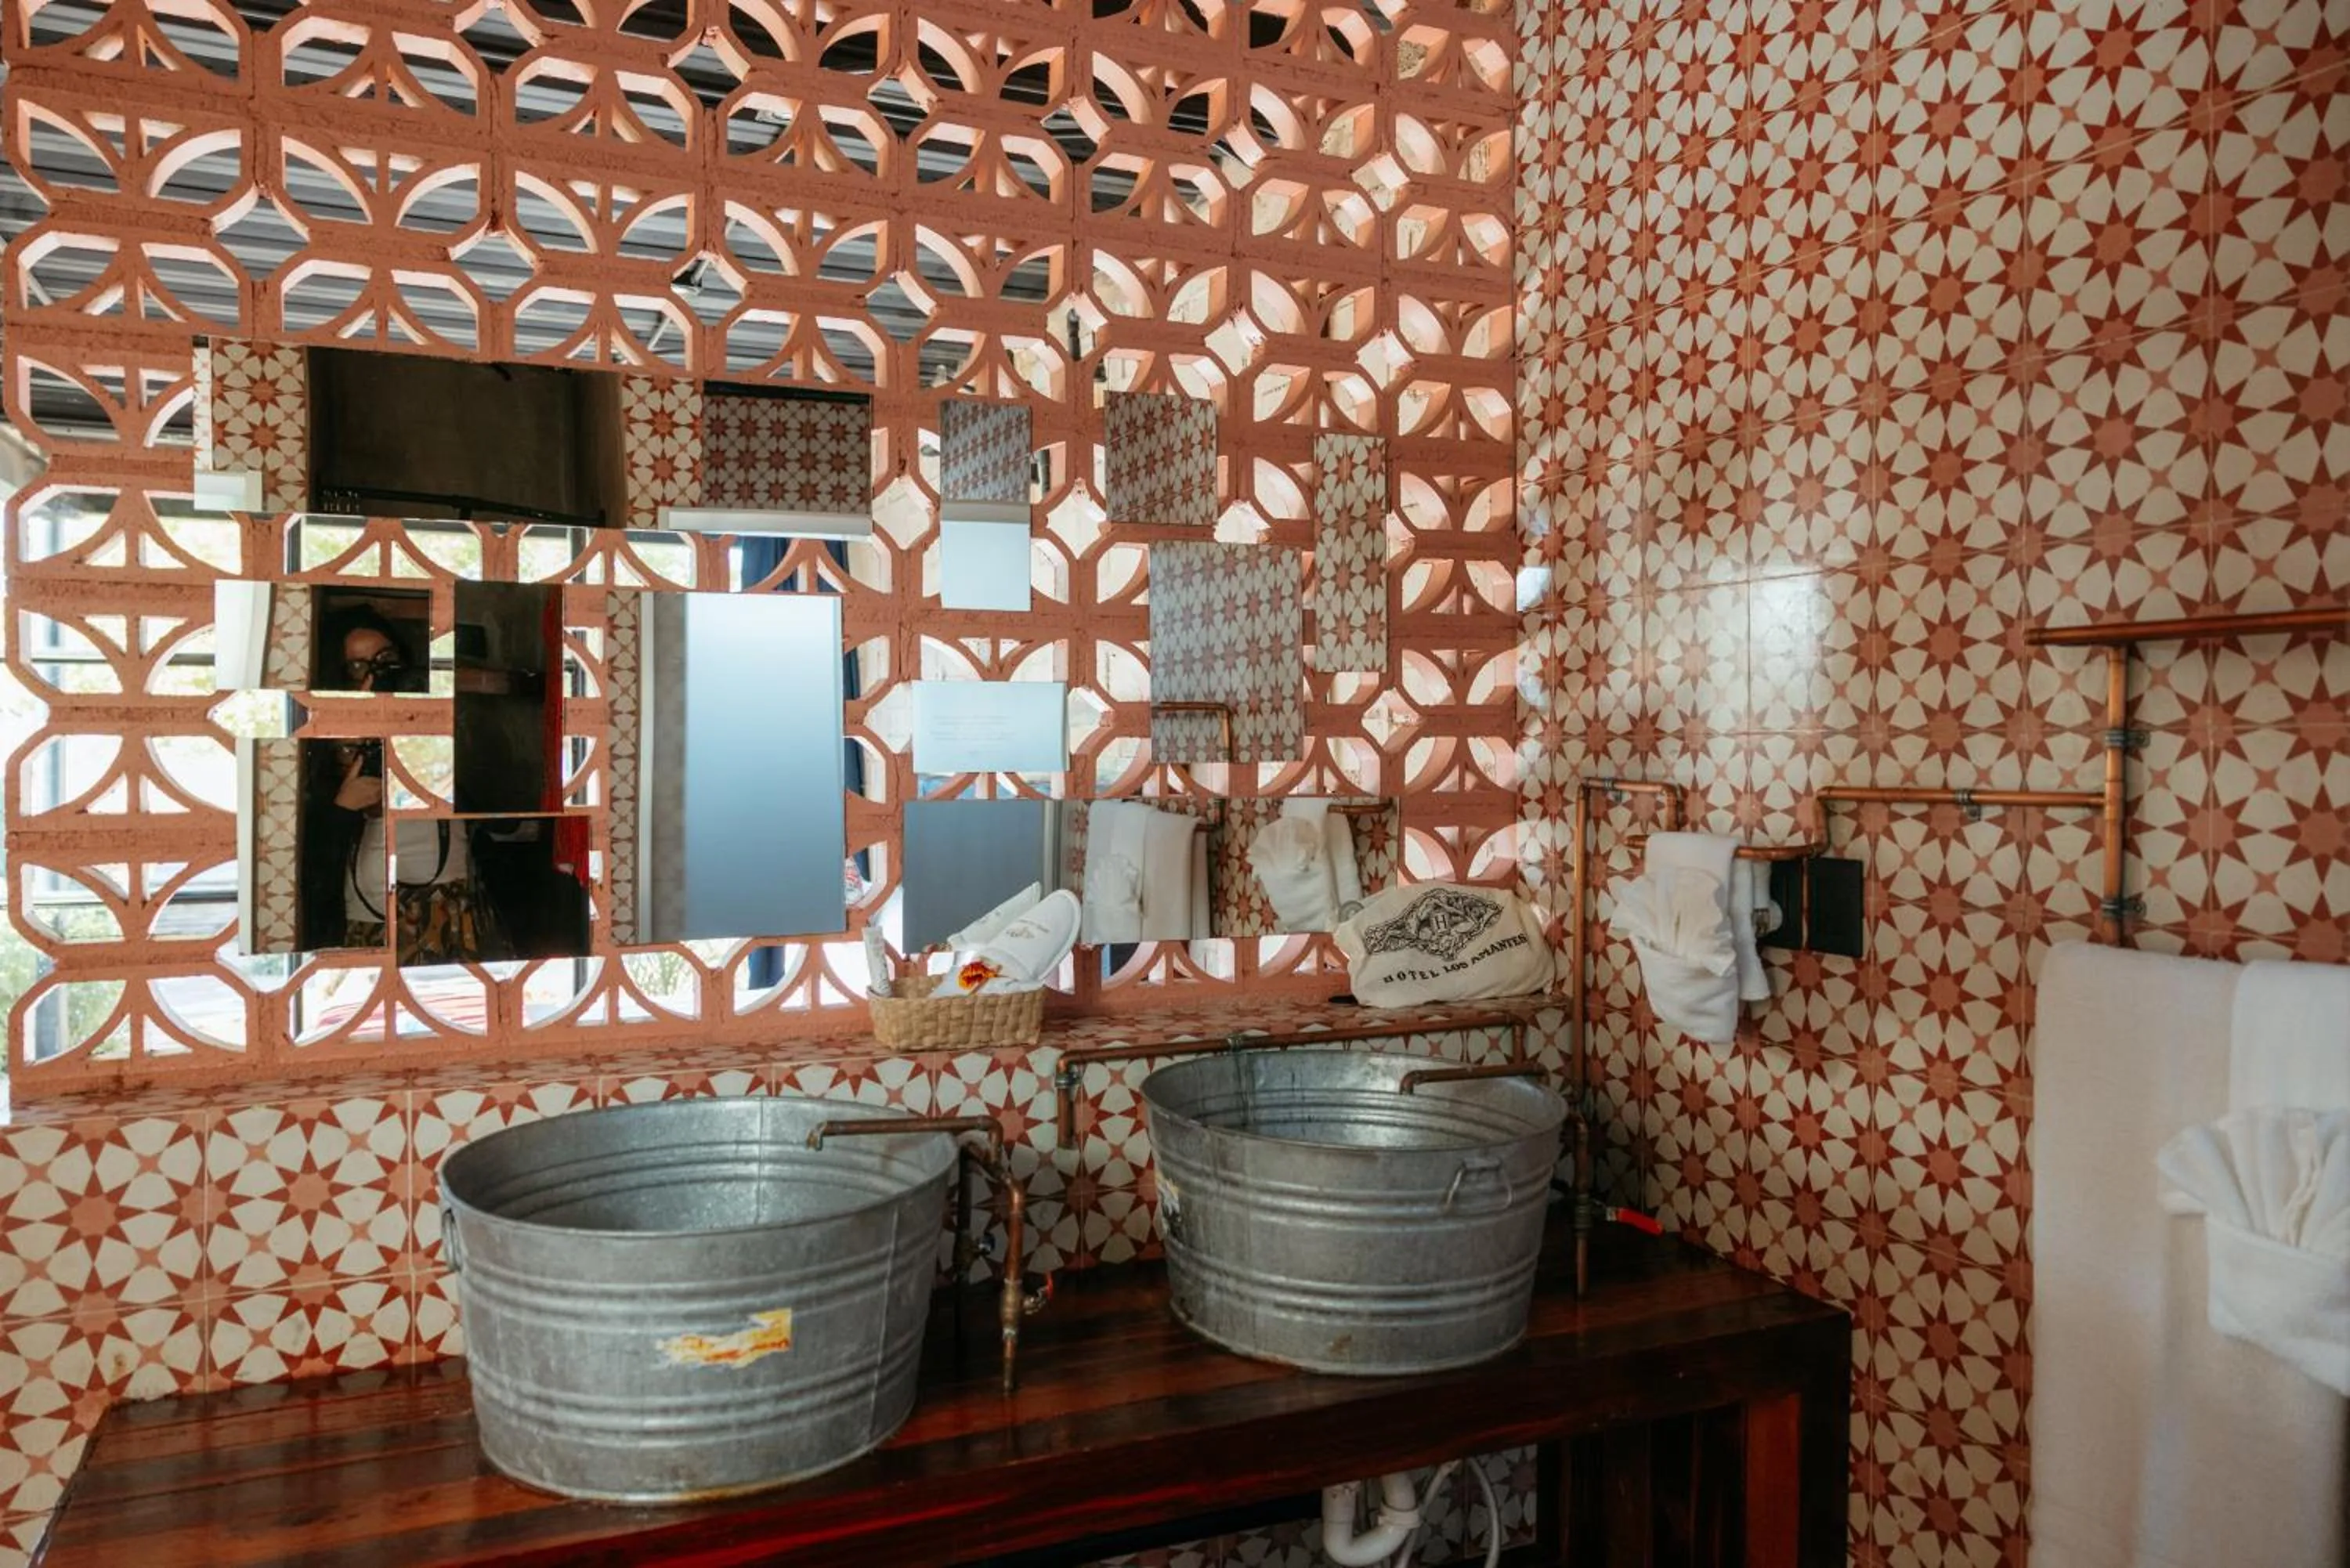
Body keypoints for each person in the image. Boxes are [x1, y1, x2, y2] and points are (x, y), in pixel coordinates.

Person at [298, 602, 509, 962]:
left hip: (456, 928)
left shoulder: (429, 739)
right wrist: (342, 811)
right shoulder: (320, 747)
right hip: (370, 937)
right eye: (358, 667)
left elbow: (502, 817)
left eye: (385, 661)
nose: (377, 677)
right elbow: (306, 884)